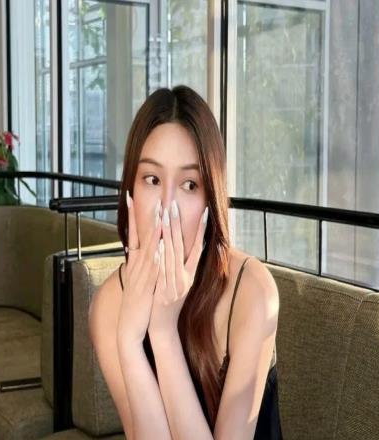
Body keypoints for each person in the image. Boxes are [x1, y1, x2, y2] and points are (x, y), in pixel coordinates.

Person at [88, 85, 283, 440]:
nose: (167, 207)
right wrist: (129, 342)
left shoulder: (252, 291)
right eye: (152, 179)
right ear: (131, 190)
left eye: (189, 185)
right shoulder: (109, 305)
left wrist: (163, 333)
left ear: (211, 198)